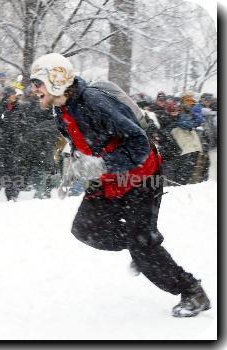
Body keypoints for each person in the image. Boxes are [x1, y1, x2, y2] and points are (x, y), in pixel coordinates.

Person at [30, 53, 210, 318]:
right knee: (84, 229)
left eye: (38, 82)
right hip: (109, 179)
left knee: (142, 245)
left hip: (142, 176)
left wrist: (101, 164)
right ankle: (144, 249)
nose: (34, 89)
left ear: (56, 81)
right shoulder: (61, 110)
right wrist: (75, 164)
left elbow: (138, 144)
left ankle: (192, 292)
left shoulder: (94, 102)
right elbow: (82, 142)